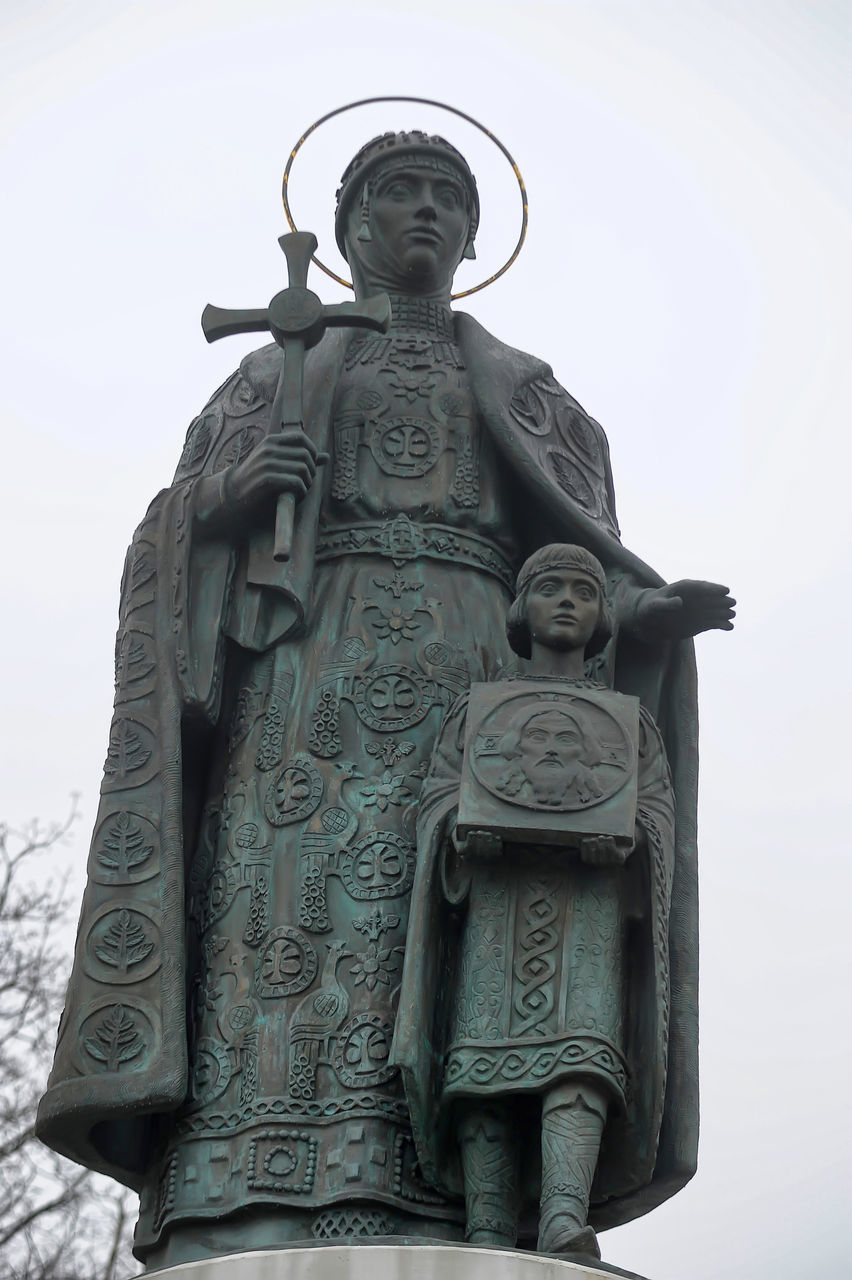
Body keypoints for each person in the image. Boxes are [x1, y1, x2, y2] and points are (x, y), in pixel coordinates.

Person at [36, 130, 733, 1267]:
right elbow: (169, 535)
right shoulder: (274, 369)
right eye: (398, 192)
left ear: (472, 232)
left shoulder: (535, 399)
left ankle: (490, 1193)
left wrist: (642, 619)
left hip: (482, 688)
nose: (425, 212)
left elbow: (571, 569)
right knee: (286, 924)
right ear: (350, 222)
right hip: (304, 680)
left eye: (446, 197)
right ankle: (246, 1181)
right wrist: (229, 492)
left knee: (486, 929)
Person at [393, 544, 676, 1260]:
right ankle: (486, 1226)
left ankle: (560, 1217)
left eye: (584, 591)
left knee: (578, 1060)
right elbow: (439, 797)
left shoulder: (628, 722)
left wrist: (628, 843)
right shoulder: (481, 712)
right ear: (521, 607)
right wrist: (462, 831)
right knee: (482, 1064)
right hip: (497, 902)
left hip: (588, 909)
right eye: (549, 588)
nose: (566, 602)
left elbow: (655, 811)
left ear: (602, 615)